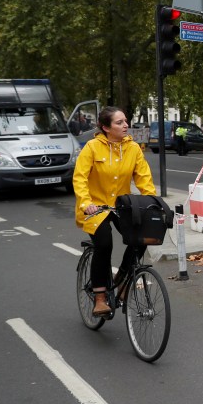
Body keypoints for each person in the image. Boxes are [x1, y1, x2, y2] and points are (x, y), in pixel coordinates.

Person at [73, 106, 156, 316]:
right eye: (119, 122)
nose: (126, 125)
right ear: (106, 127)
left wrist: (152, 202)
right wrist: (85, 203)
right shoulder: (92, 147)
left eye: (126, 121)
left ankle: (123, 282)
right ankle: (99, 298)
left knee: (142, 238)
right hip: (95, 207)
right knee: (104, 243)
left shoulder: (133, 148)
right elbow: (80, 178)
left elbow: (144, 178)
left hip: (121, 205)